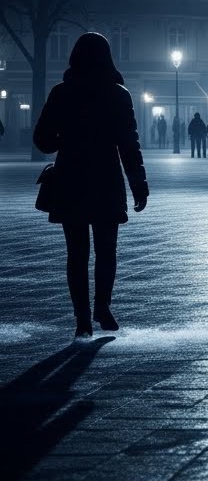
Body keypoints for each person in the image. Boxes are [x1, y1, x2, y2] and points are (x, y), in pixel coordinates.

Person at [32, 32, 148, 337]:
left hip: (71, 176)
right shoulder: (118, 94)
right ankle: (103, 305)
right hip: (106, 177)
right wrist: (138, 183)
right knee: (107, 249)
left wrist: (66, 140)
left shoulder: (61, 93)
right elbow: (128, 144)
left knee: (77, 251)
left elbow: (42, 139)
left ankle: (82, 317)